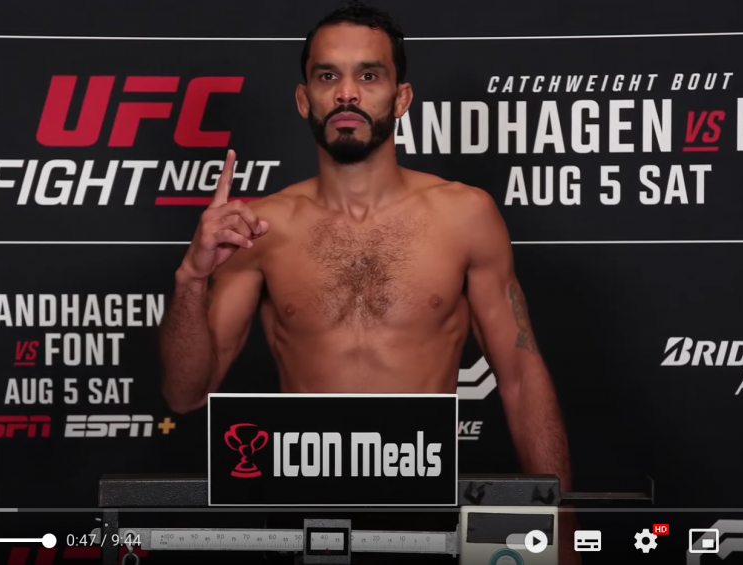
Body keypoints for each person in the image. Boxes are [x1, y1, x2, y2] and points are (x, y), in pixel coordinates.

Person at [159, 2, 578, 563]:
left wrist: (562, 525)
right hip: (304, 517)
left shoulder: (464, 216)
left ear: (400, 98)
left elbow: (522, 377)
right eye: (327, 76)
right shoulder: (260, 228)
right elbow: (185, 393)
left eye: (369, 75)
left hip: (426, 512)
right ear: (304, 99)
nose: (347, 94)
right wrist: (191, 276)